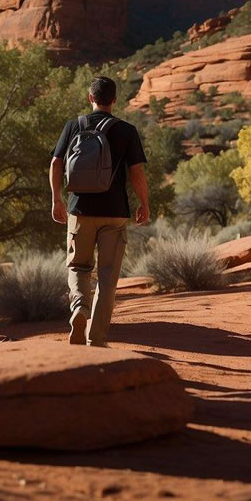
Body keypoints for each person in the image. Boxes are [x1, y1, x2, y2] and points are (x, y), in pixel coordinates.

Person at [49, 76, 150, 347]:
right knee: (108, 276)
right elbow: (137, 172)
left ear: (90, 98)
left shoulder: (74, 126)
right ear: (114, 100)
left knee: (79, 266)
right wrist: (144, 204)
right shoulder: (127, 131)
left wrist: (56, 200)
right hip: (115, 213)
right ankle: (97, 336)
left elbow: (56, 163)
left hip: (80, 210)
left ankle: (79, 309)